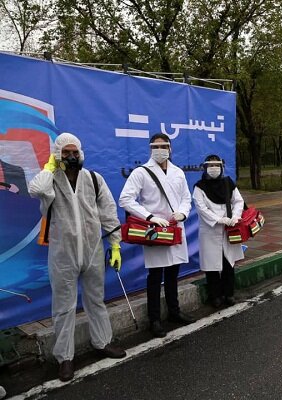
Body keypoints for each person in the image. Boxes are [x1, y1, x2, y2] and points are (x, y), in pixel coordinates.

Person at [28, 133, 125, 382]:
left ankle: (103, 342)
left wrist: (115, 246)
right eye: (65, 153)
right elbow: (35, 188)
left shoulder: (93, 179)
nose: (71, 157)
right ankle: (65, 358)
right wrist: (51, 166)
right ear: (58, 155)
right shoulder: (51, 181)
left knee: (96, 300)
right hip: (63, 254)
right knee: (63, 307)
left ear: (81, 153)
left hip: (92, 250)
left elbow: (109, 212)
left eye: (75, 152)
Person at [119, 133, 194, 338]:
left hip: (175, 228)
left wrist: (183, 213)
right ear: (151, 148)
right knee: (155, 276)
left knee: (173, 273)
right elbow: (125, 200)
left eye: (164, 146)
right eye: (156, 146)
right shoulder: (141, 172)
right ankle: (154, 319)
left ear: (170, 148)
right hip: (154, 230)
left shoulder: (178, 172)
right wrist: (149, 217)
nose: (160, 149)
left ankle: (174, 311)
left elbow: (186, 198)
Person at [193, 155, 245, 308]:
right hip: (210, 230)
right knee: (212, 266)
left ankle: (229, 294)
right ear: (205, 167)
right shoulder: (199, 187)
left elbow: (238, 201)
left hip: (229, 228)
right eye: (211, 165)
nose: (214, 168)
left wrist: (235, 216)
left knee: (229, 263)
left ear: (222, 167)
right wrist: (219, 219)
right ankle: (215, 296)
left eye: (217, 165)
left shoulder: (228, 183)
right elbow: (201, 208)